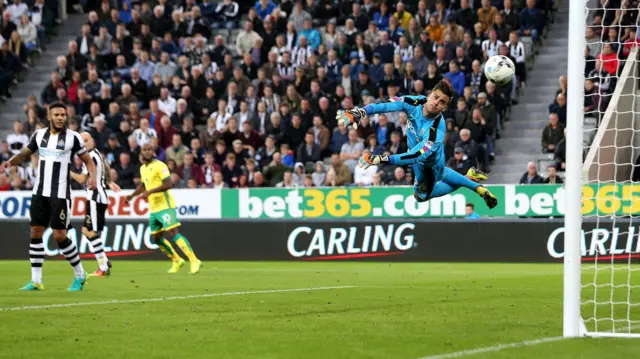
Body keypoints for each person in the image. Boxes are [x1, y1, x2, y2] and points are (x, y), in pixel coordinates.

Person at [336, 80, 497, 208]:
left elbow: (415, 156)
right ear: (429, 94)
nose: (436, 103)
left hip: (429, 164)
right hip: (420, 160)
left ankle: (472, 183)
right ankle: (472, 182)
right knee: (441, 176)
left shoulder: (435, 129)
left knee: (421, 195)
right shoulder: (413, 102)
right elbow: (385, 105)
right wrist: (361, 111)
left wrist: (382, 159)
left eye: (442, 102)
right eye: (435, 97)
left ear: (445, 107)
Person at [0, 103, 97, 291]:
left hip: (60, 194)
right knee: (36, 232)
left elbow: (89, 162)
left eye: (63, 114)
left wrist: (91, 179)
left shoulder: (73, 138)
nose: (61, 117)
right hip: (39, 192)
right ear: (49, 116)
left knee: (59, 236)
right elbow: (24, 154)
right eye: (57, 114)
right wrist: (9, 163)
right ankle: (36, 280)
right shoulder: (39, 135)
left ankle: (80, 274)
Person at [125, 144, 202, 274]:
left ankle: (194, 260)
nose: (148, 152)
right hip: (154, 209)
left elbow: (169, 184)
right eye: (145, 150)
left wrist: (150, 192)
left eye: (150, 149)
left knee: (173, 232)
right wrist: (132, 196)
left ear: (153, 152)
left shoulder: (160, 165)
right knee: (156, 238)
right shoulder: (143, 168)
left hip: (165, 205)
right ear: (141, 153)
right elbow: (144, 185)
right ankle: (177, 260)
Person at [70, 132, 122, 276]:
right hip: (98, 197)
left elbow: (81, 180)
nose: (85, 143)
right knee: (87, 230)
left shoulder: (90, 157)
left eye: (87, 140)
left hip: (95, 197)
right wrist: (109, 181)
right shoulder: (95, 153)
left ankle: (103, 267)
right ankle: (104, 260)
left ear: (92, 140)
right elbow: (105, 166)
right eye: (83, 141)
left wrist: (68, 172)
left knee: (91, 231)